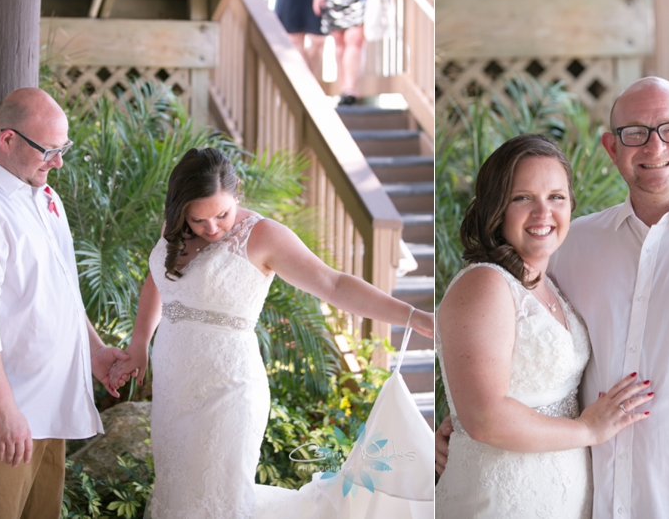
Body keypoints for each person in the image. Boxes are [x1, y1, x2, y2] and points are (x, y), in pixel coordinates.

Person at [436, 77, 669, 519]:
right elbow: (515, 347)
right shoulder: (570, 245)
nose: (655, 148)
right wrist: (461, 423)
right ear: (611, 147)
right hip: (587, 505)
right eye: (634, 133)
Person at [108, 147, 434, 519]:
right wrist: (139, 344)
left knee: (216, 500)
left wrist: (412, 316)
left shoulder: (263, 236)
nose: (211, 228)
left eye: (222, 214)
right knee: (179, 494)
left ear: (238, 192)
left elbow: (333, 284)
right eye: (199, 220)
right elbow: (159, 281)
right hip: (173, 390)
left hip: (227, 392)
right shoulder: (176, 226)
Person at [435, 134, 653, 518]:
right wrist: (588, 431)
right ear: (496, 207)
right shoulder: (485, 283)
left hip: (561, 498)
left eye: (556, 197)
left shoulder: (546, 282)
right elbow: (484, 418)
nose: (543, 213)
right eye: (523, 198)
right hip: (499, 500)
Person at [0, 87, 129, 519]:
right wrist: (5, 408)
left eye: (63, 148)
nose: (59, 162)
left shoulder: (44, 193)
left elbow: (62, 289)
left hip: (51, 409)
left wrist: (95, 350)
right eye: (48, 150)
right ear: (7, 139)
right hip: (5, 419)